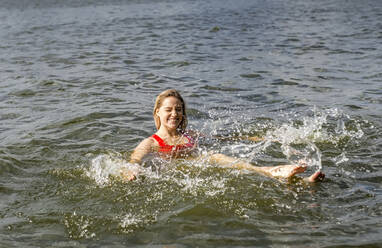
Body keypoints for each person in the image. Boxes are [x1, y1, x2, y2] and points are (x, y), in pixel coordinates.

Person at [122, 89, 325, 182]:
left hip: (200, 169)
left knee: (216, 155)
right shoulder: (151, 142)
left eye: (179, 109)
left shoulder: (190, 135)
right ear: (157, 111)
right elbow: (135, 158)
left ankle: (298, 181)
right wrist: (131, 171)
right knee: (215, 157)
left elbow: (226, 139)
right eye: (169, 109)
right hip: (177, 175)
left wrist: (262, 139)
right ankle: (271, 171)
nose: (174, 114)